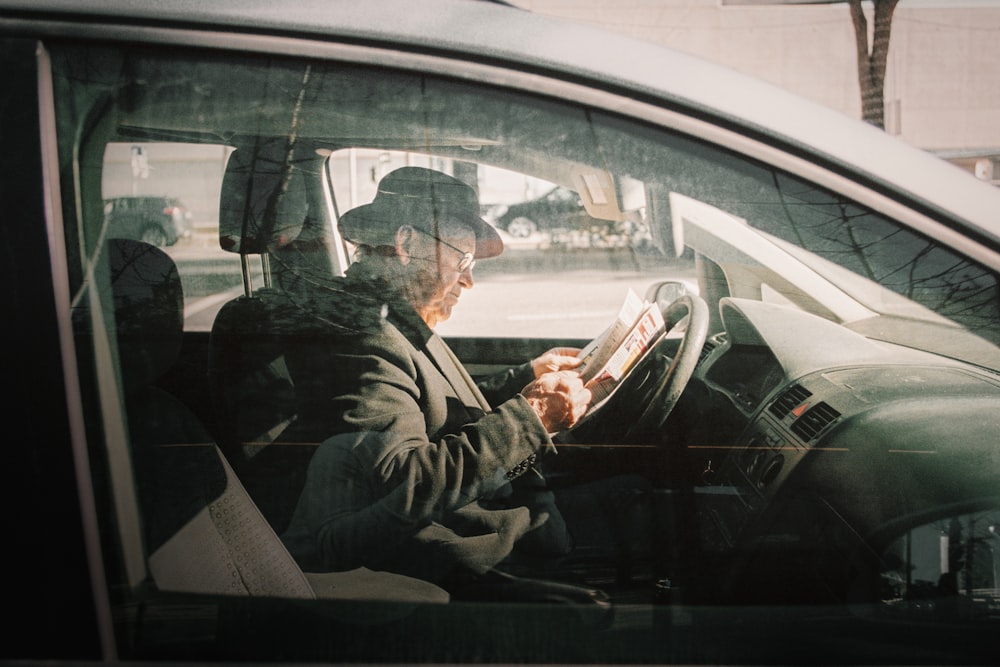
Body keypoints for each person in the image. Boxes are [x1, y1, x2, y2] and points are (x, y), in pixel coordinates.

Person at [279, 166, 595, 587]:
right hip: (473, 558)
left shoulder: (392, 316)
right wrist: (531, 416)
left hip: (496, 521)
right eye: (462, 259)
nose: (468, 280)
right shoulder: (363, 333)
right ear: (406, 244)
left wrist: (526, 376)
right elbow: (400, 485)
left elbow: (429, 410)